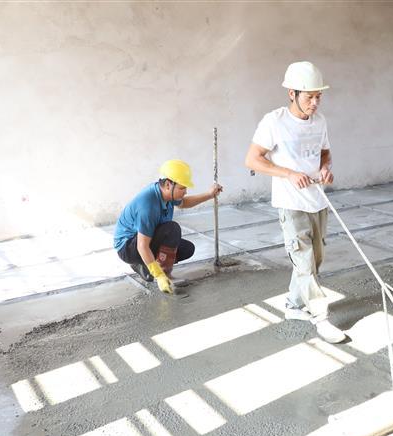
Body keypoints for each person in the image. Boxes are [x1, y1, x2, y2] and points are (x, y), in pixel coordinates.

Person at [244, 61, 346, 344]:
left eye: (318, 96)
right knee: (303, 261)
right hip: (291, 204)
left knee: (314, 260)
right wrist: (288, 174)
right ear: (292, 93)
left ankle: (293, 305)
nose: (315, 103)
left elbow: (325, 153)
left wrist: (325, 169)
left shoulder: (320, 121)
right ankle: (321, 317)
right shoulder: (274, 122)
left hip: (317, 200)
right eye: (309, 97)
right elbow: (252, 160)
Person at [113, 159, 222, 293]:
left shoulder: (166, 194)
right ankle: (164, 275)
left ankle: (144, 266)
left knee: (187, 249)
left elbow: (183, 203)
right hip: (128, 247)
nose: (185, 192)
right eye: (182, 188)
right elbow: (142, 246)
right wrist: (159, 276)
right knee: (172, 229)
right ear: (168, 185)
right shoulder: (148, 205)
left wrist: (209, 195)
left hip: (143, 241)